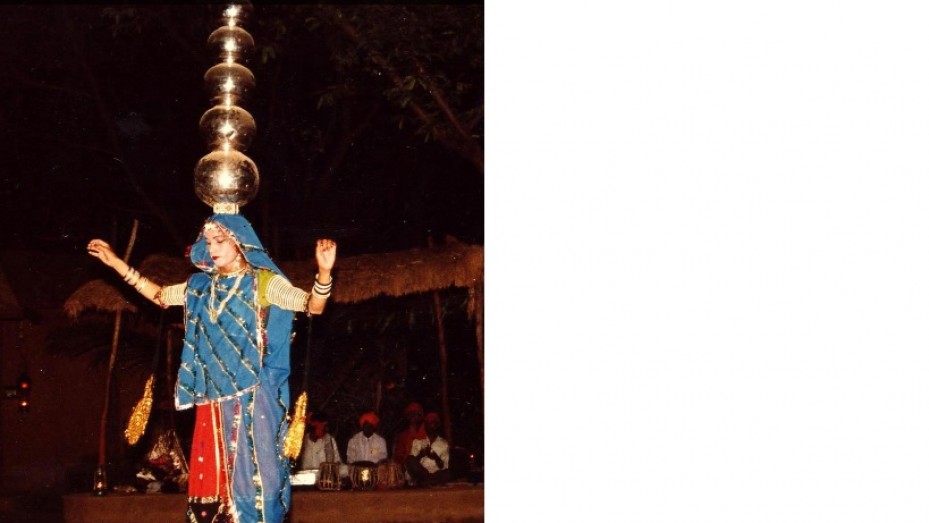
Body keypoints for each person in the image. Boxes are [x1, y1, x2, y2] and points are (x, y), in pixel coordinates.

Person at [87, 213, 336, 523]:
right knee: (215, 482)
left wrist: (324, 273)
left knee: (260, 479)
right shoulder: (200, 286)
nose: (212, 248)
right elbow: (160, 295)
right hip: (212, 396)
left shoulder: (263, 283)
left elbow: (312, 305)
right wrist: (116, 263)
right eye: (208, 242)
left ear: (240, 243)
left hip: (254, 396)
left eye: (220, 240)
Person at [405, 412, 451, 487]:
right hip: (420, 474)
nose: (431, 425)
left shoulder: (444, 444)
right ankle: (428, 481)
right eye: (429, 423)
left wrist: (436, 457)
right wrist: (421, 455)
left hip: (435, 474)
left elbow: (444, 467)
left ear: (437, 425)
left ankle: (426, 481)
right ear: (425, 425)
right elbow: (411, 463)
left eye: (434, 423)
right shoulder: (417, 441)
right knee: (409, 459)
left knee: (448, 472)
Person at [297, 413, 347, 478]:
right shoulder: (302, 441)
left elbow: (337, 462)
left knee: (345, 469)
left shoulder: (329, 439)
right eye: (324, 426)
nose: (326, 429)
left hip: (324, 477)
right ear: (314, 424)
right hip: (305, 477)